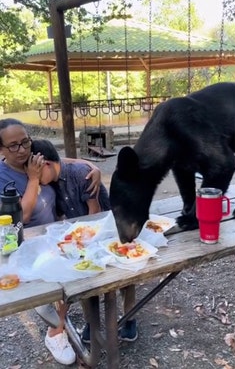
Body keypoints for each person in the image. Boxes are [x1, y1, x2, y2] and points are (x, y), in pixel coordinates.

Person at [0, 119, 101, 365]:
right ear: (1, 150)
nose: (22, 149)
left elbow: (63, 163)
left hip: (53, 236)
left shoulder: (34, 158)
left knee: (82, 268)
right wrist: (33, 180)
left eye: (25, 141)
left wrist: (91, 166)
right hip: (23, 243)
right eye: (13, 146)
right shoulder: (4, 177)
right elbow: (20, 217)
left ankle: (62, 316)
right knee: (59, 275)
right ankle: (55, 331)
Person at [30, 139, 138, 345]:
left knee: (125, 274)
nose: (34, 177)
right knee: (82, 277)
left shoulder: (80, 174)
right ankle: (91, 323)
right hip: (82, 237)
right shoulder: (51, 184)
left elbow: (94, 211)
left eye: (36, 172)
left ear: (46, 164)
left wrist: (84, 240)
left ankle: (130, 317)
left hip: (106, 228)